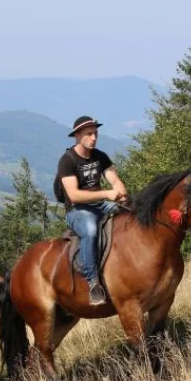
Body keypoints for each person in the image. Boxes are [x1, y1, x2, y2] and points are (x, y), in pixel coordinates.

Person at [56, 115, 129, 306]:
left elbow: (115, 179)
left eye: (95, 133)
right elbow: (74, 195)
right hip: (78, 211)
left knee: (129, 214)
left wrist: (121, 191)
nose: (94, 138)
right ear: (78, 136)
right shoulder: (67, 160)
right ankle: (93, 282)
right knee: (90, 229)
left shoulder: (100, 156)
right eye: (89, 134)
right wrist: (107, 194)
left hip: (100, 204)